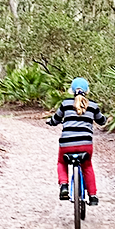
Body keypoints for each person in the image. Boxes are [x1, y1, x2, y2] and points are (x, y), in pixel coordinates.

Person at [47, 77, 106, 206]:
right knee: (87, 166)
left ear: (72, 91)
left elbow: (55, 119)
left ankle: (64, 186)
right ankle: (93, 195)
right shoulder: (93, 106)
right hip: (86, 144)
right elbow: (102, 121)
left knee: (61, 163)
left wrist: (50, 122)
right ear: (87, 91)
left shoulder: (65, 104)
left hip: (66, 144)